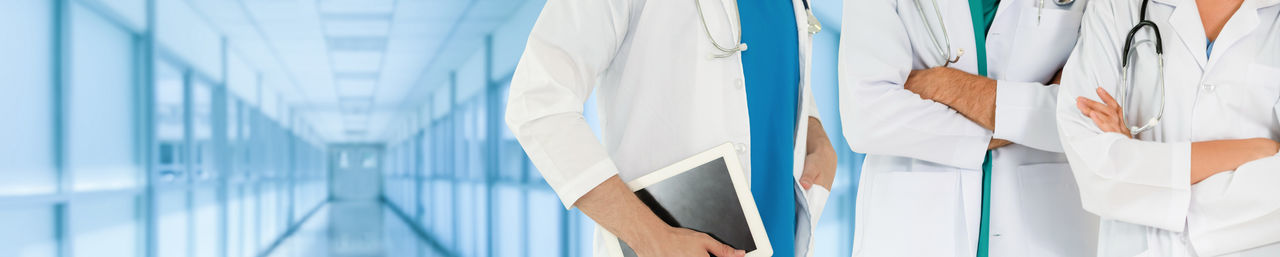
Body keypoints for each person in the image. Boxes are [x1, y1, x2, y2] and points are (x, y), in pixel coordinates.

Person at [503, 0, 838, 256]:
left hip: (780, 236)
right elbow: (538, 100)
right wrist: (651, 237)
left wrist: (816, 131)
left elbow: (775, 65)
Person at [838, 0, 1099, 255]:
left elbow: (1093, 113)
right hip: (915, 225)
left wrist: (947, 85)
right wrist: (1030, 116)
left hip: (1046, 225)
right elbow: (867, 116)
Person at [1058, 0, 1280, 255]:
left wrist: (1133, 174)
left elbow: (1111, 175)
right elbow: (1093, 167)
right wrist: (1252, 152)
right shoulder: (1117, 6)